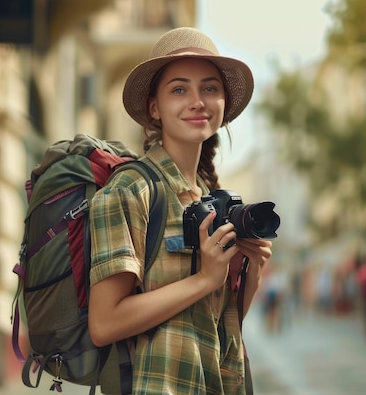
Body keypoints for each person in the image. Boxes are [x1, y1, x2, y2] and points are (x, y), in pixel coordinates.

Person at [88, 27, 273, 395]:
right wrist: (204, 279)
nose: (197, 101)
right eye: (179, 89)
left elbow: (212, 327)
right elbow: (104, 323)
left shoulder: (213, 200)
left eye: (209, 88)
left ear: (223, 102)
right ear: (154, 107)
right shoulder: (131, 190)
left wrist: (249, 277)